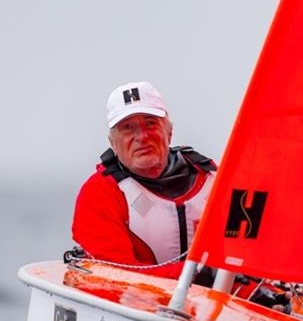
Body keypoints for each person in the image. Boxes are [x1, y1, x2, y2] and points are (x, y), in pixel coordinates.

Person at [71, 81, 216, 283]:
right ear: (113, 143)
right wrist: (196, 274)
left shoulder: (214, 181)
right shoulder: (99, 194)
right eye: (128, 128)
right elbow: (118, 277)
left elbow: (247, 257)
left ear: (169, 132)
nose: (142, 136)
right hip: (136, 307)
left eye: (150, 123)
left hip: (220, 306)